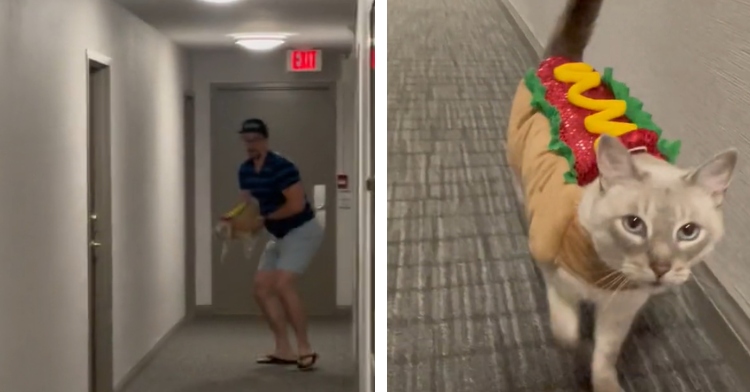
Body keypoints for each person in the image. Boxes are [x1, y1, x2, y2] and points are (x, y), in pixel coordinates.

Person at [235, 118, 324, 371]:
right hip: (278, 235)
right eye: (246, 140)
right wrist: (235, 220)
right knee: (262, 288)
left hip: (302, 231)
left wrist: (264, 219)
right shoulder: (245, 170)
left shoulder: (283, 167)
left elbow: (295, 205)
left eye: (254, 139)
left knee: (283, 284)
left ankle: (305, 348)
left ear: (264, 139)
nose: (250, 145)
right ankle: (284, 350)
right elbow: (247, 203)